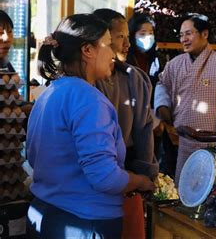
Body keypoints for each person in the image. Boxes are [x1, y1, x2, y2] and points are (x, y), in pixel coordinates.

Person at [26, 14, 155, 238]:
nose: (113, 53)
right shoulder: (89, 100)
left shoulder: (49, 94)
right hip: (82, 222)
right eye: (107, 44)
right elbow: (105, 177)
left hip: (44, 214)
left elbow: (32, 156)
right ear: (88, 50)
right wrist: (140, 181)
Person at [93, 9, 159, 239]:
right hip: (94, 178)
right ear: (102, 39)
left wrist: (145, 174)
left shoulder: (136, 79)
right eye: (120, 36)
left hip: (130, 173)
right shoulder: (86, 83)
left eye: (126, 37)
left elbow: (144, 131)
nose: (127, 43)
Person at [154, 13, 216, 176]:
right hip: (184, 142)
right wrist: (162, 106)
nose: (183, 39)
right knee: (187, 191)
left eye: (188, 33)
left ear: (205, 34)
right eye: (181, 35)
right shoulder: (174, 64)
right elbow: (161, 85)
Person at [127, 12, 167, 94]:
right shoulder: (126, 58)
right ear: (132, 35)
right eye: (142, 33)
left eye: (150, 33)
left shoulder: (158, 59)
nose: (148, 37)